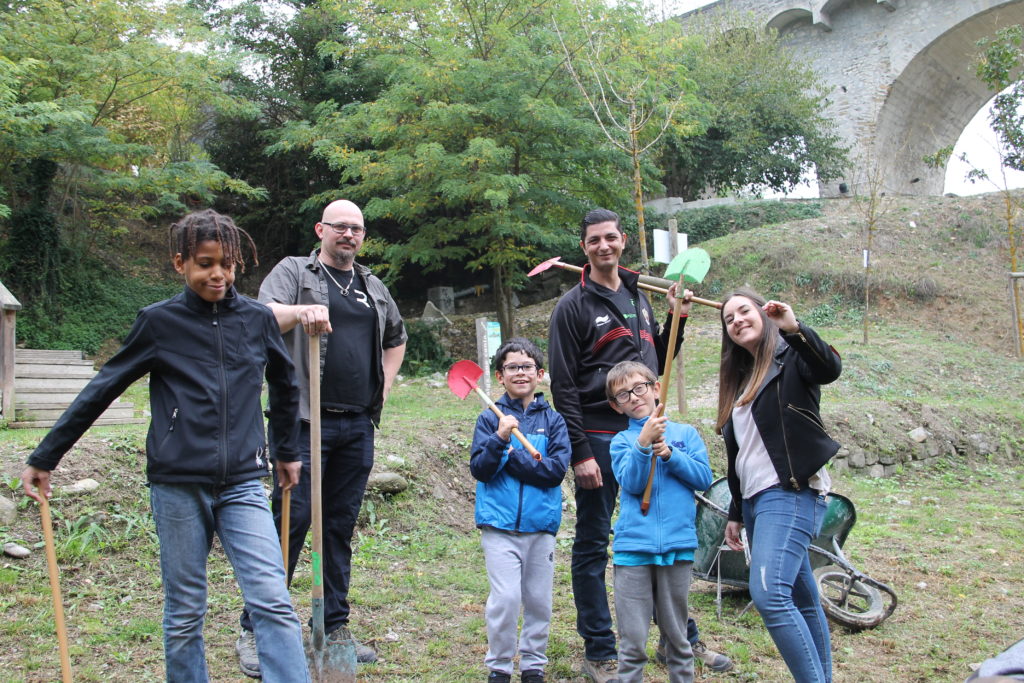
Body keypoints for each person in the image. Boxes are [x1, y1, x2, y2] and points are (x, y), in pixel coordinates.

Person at [20, 210, 309, 683]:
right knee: (184, 610)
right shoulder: (159, 323)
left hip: (242, 482)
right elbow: (103, 388)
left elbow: (285, 381)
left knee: (271, 599)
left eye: (228, 264)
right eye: (205, 263)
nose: (218, 274)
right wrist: (45, 456)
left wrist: (286, 450)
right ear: (181, 264)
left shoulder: (256, 319)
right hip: (177, 485)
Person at [547, 208, 732, 683]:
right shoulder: (572, 307)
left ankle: (682, 641)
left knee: (661, 538)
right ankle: (601, 650)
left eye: (611, 238)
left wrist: (679, 319)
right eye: (594, 240)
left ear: (622, 241)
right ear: (583, 246)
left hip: (650, 430)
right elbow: (564, 387)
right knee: (593, 542)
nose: (603, 246)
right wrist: (581, 452)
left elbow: (655, 359)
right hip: (600, 436)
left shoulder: (639, 295)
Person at [235, 199, 407, 677]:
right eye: (340, 227)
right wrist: (303, 310)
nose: (349, 235)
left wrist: (385, 383)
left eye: (357, 229)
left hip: (357, 424)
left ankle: (333, 626)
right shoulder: (294, 271)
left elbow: (397, 337)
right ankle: (256, 628)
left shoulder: (372, 285)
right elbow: (263, 314)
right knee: (292, 519)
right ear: (321, 230)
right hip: (304, 420)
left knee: (337, 527)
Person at [716, 288, 841, 683]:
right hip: (756, 502)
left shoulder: (792, 358)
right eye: (728, 319)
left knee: (770, 594)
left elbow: (829, 368)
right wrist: (737, 512)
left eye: (743, 311)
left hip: (790, 492)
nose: (737, 321)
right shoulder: (740, 380)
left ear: (764, 314)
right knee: (802, 599)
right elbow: (743, 455)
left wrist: (794, 328)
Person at [469, 338, 571, 683]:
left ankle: (533, 664)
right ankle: (499, 665)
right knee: (507, 598)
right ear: (500, 376)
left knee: (539, 601)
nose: (520, 373)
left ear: (540, 374)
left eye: (527, 367)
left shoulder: (554, 421)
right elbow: (481, 470)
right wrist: (499, 439)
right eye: (512, 367)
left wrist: (511, 456)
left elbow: (554, 473)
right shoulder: (488, 419)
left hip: (541, 526)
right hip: (499, 527)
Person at [606, 361, 712, 683]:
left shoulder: (685, 434)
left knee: (679, 640)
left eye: (639, 388)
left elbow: (703, 478)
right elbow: (633, 483)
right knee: (633, 643)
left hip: (678, 547)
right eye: (623, 395)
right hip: (633, 549)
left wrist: (669, 454)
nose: (634, 397)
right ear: (616, 405)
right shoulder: (621, 442)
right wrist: (643, 444)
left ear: (655, 388)